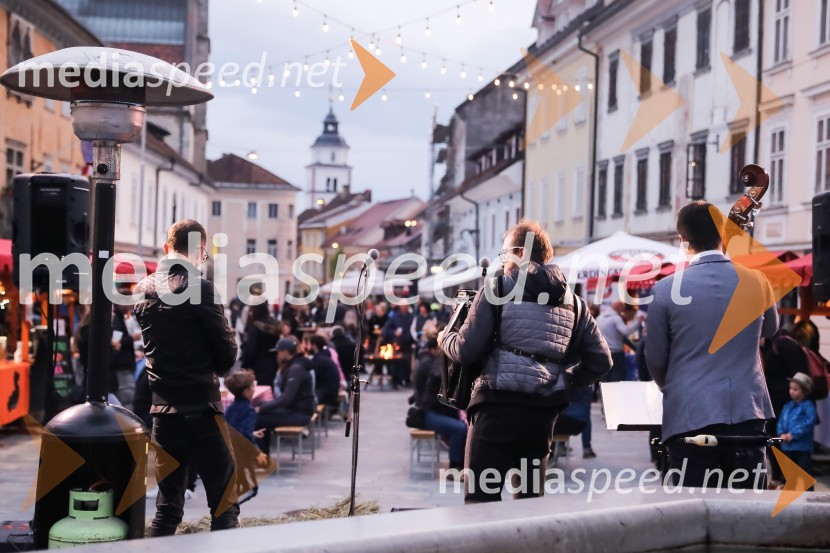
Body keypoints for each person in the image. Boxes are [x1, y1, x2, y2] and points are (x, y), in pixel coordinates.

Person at [440, 220, 612, 503]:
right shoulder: (575, 302)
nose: (503, 260)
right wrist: (564, 383)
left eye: (505, 253)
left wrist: (445, 337)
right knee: (530, 505)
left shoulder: (497, 287)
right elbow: (602, 360)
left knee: (480, 503)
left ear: (519, 252)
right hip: (542, 413)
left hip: (496, 407)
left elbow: (465, 350)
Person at [645, 201, 779, 489]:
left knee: (693, 507)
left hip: (690, 416)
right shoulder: (758, 281)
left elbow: (655, 358)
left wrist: (675, 386)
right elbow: (771, 328)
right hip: (748, 412)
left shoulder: (665, 289)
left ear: (683, 240)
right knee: (749, 510)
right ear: (724, 235)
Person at [133, 219, 239, 535]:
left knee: (167, 510)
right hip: (202, 406)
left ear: (168, 248)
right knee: (224, 505)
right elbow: (227, 354)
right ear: (199, 251)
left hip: (162, 411)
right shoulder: (200, 288)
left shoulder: (142, 289)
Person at [411, 338, 468, 470]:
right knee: (460, 428)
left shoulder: (438, 363)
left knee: (462, 426)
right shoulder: (437, 367)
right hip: (427, 413)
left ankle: (461, 462)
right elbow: (439, 400)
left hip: (432, 411)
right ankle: (455, 466)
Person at [255, 338, 316, 453]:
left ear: (285, 352)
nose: (277, 355)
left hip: (299, 414)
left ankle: (262, 458)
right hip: (298, 410)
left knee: (257, 419)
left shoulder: (295, 369)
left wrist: (261, 408)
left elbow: (286, 399)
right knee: (261, 414)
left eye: (278, 352)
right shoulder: (296, 365)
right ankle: (263, 456)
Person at [777, 372, 818, 484]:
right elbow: (781, 421)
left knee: (804, 472)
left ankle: (808, 495)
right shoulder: (788, 406)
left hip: (802, 447)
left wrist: (793, 435)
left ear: (804, 391)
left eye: (796, 389)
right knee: (788, 473)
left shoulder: (808, 406)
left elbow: (808, 423)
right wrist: (781, 433)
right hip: (787, 446)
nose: (791, 391)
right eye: (791, 388)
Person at [596, 302, 640, 383]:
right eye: (622, 310)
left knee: (605, 378)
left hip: (602, 352)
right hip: (616, 352)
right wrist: (638, 322)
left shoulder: (599, 318)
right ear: (618, 308)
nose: (622, 313)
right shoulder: (616, 318)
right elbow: (625, 331)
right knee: (618, 378)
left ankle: (604, 395)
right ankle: (617, 395)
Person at [240, 303, 280, 388]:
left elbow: (250, 351)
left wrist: (244, 366)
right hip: (274, 365)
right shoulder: (274, 323)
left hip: (258, 368)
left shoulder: (255, 327)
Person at [382, 302, 415, 389]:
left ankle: (406, 380)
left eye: (406, 306)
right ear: (400, 307)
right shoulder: (394, 317)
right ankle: (395, 381)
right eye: (403, 306)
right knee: (395, 364)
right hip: (397, 343)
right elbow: (386, 329)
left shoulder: (412, 316)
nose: (405, 308)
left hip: (408, 343)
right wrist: (394, 332)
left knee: (407, 363)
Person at [303, 334, 341, 409]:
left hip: (326, 394)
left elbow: (311, 379)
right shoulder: (324, 357)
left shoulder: (319, 360)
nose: (307, 347)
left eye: (309, 344)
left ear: (314, 346)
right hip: (331, 392)